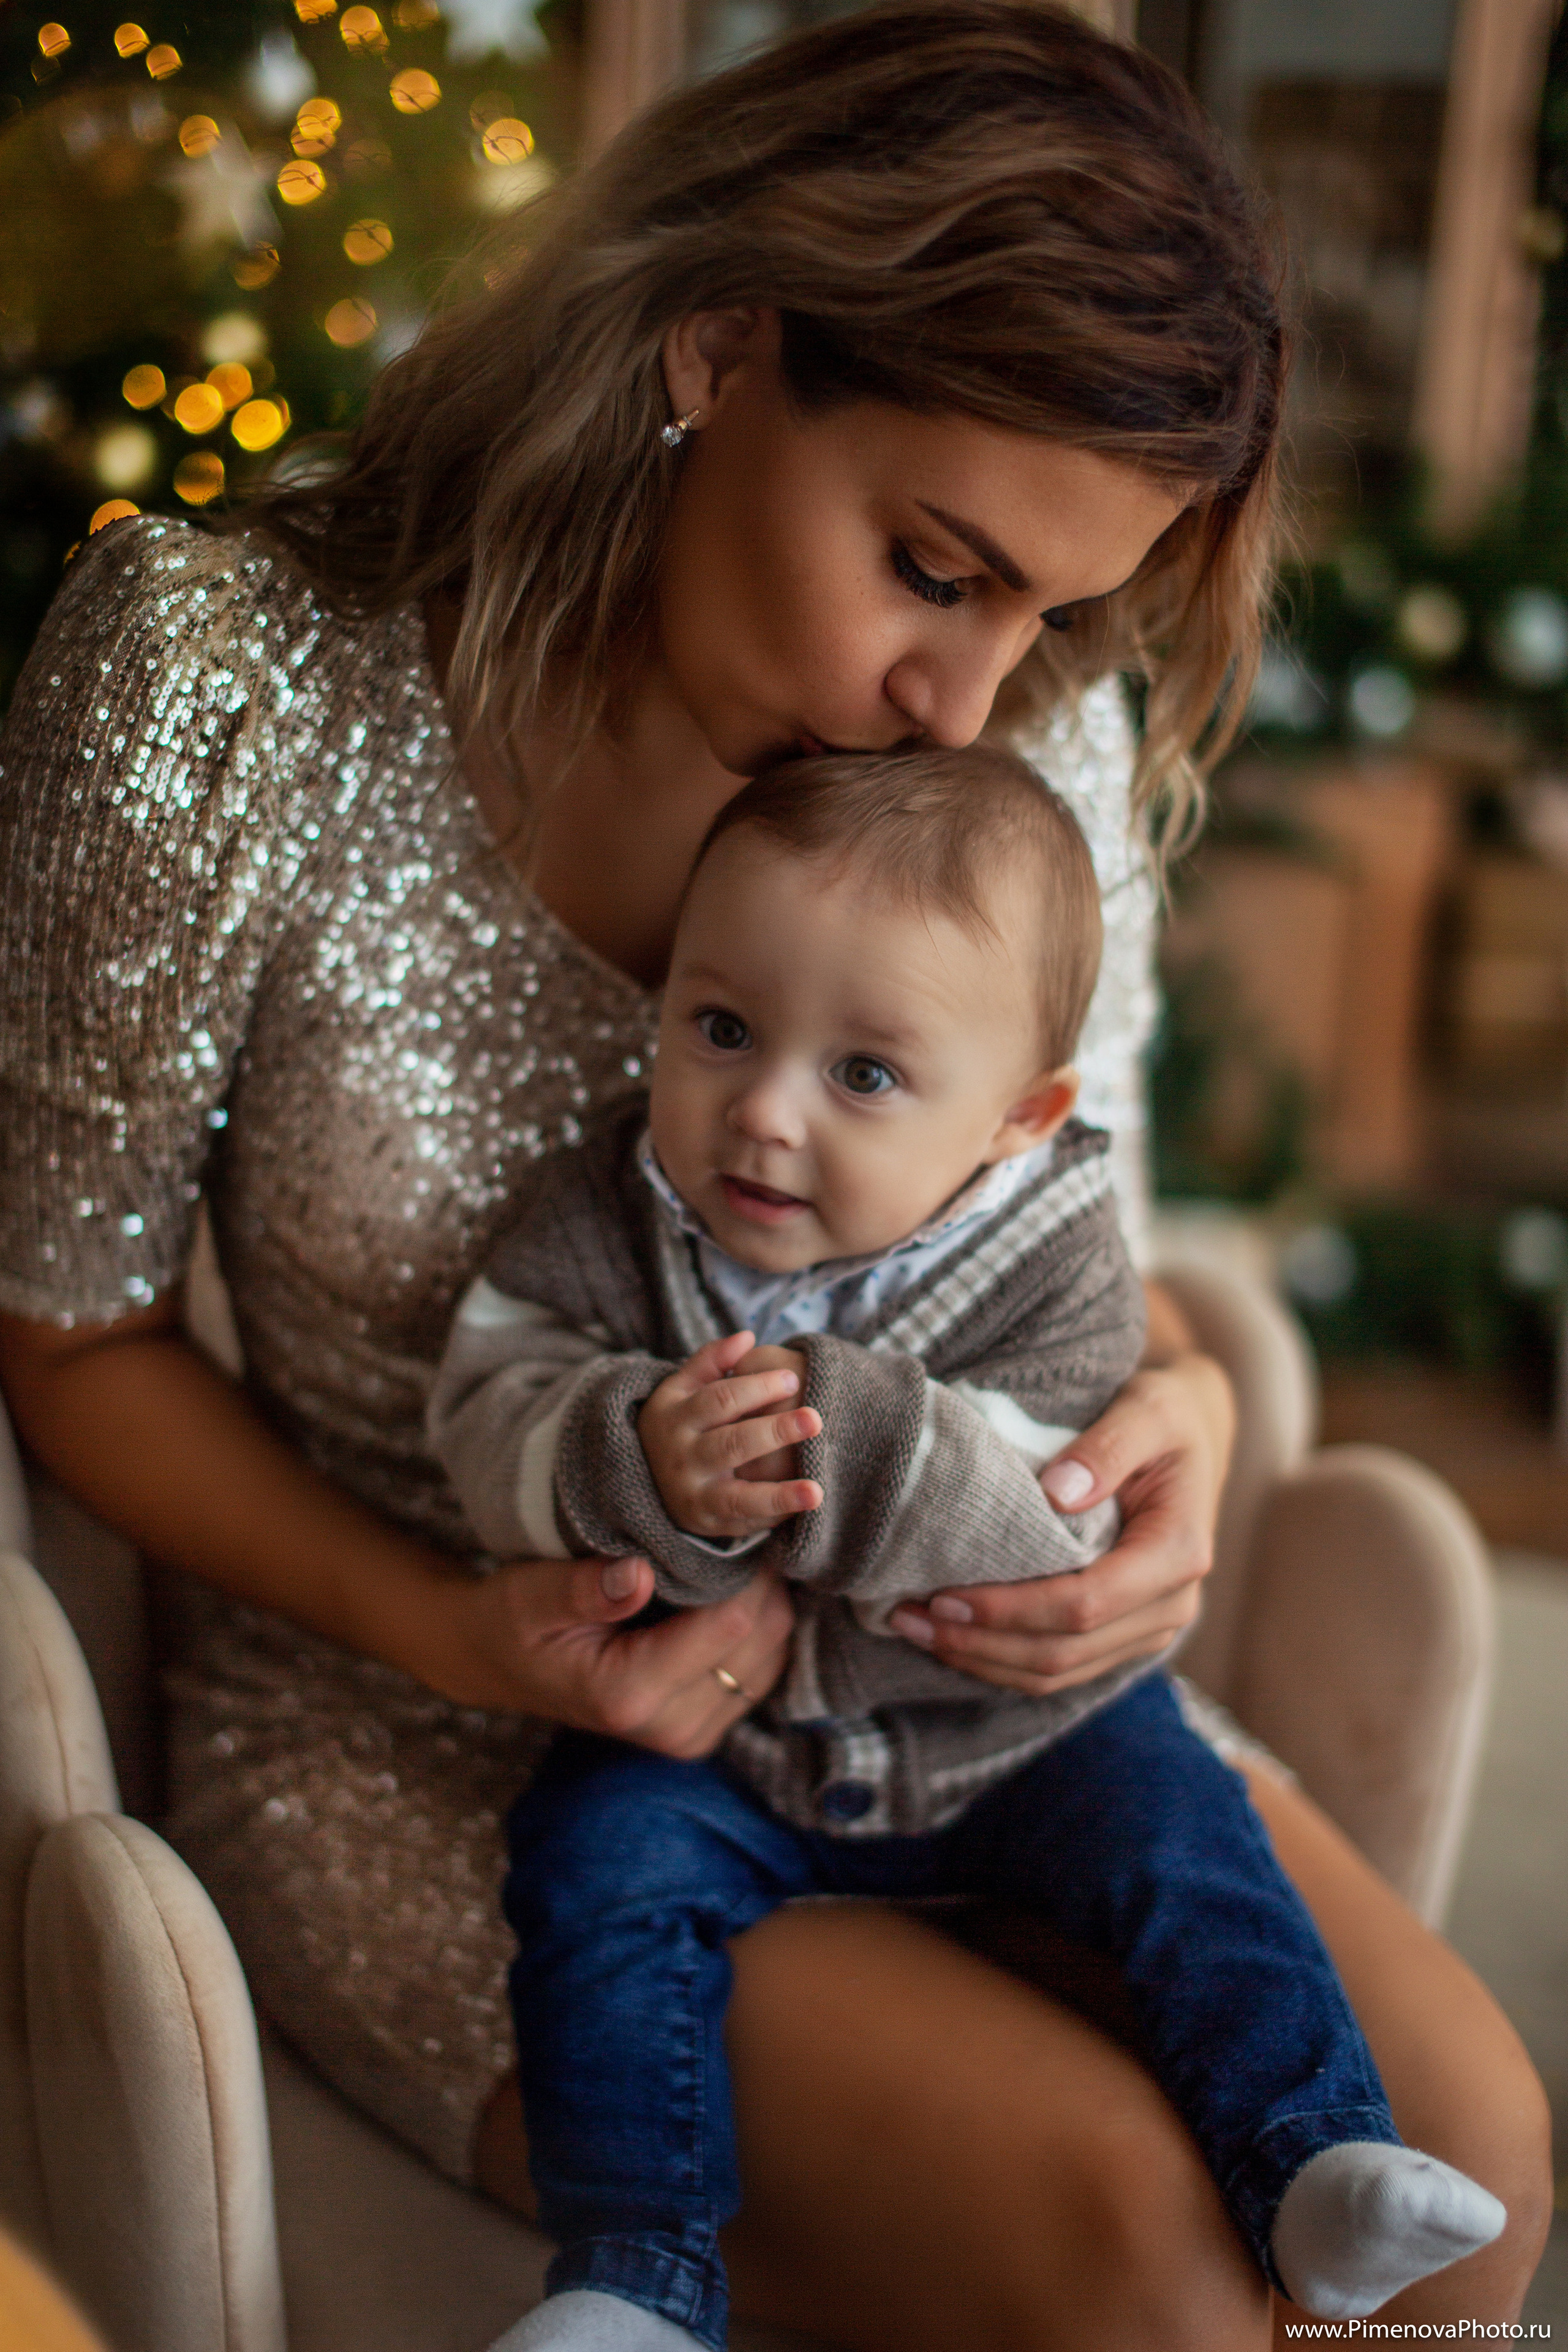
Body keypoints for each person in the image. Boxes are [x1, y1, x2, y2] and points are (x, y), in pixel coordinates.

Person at [0, 6, 1547, 2345]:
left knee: (1485, 2165)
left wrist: (1183, 1451)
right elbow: (72, 1329)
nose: (976, 693)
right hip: (448, 1736)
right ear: (721, 349)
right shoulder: (224, 685)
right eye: (935, 566)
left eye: (1056, 610)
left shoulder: (1037, 729)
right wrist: (459, 1626)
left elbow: (1066, 1226)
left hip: (953, 1691)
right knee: (1148, 2254)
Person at [429, 746, 1504, 2350]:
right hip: (715, 1749)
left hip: (1012, 1728)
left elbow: (1041, 1501)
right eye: (721, 1028)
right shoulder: (606, 1203)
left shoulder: (1057, 1253)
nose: (766, 1115)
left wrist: (832, 1434)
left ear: (1019, 1120)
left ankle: (1309, 2159)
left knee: (1186, 1849)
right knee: (592, 1886)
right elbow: (486, 1404)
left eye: (865, 1074)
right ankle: (634, 2276)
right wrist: (624, 1450)